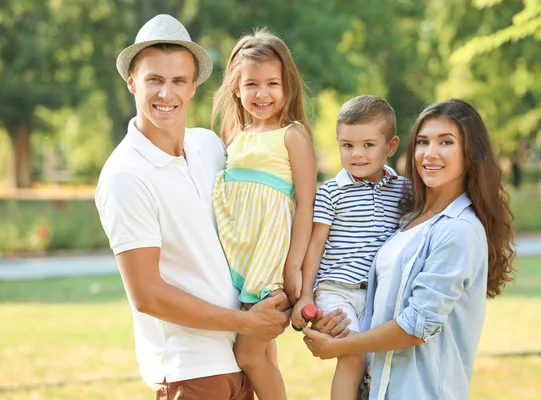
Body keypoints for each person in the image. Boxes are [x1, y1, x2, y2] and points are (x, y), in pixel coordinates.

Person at [95, 15, 290, 400]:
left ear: (193, 86)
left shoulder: (210, 147)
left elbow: (260, 216)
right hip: (192, 373)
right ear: (132, 81)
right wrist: (245, 322)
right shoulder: (125, 175)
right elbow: (147, 293)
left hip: (245, 359)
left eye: (178, 81)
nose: (166, 93)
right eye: (154, 79)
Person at [303, 99, 516, 400]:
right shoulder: (408, 217)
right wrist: (334, 321)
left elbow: (417, 325)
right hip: (375, 387)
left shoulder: (459, 229)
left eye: (446, 142)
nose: (430, 153)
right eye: (423, 142)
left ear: (470, 153)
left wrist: (340, 347)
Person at [211, 29, 316, 400]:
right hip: (245, 255)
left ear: (287, 87)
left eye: (272, 83)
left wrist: (294, 266)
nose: (262, 93)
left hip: (271, 263)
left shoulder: (292, 135)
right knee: (261, 356)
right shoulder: (236, 137)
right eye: (251, 84)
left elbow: (306, 204)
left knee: (248, 353)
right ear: (236, 88)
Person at [292, 95, 412, 400]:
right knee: (352, 355)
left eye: (368, 145)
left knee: (377, 364)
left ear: (391, 146)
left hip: (377, 295)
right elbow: (315, 246)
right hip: (337, 290)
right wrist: (306, 295)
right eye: (347, 146)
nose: (357, 154)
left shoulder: (404, 189)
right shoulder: (332, 192)